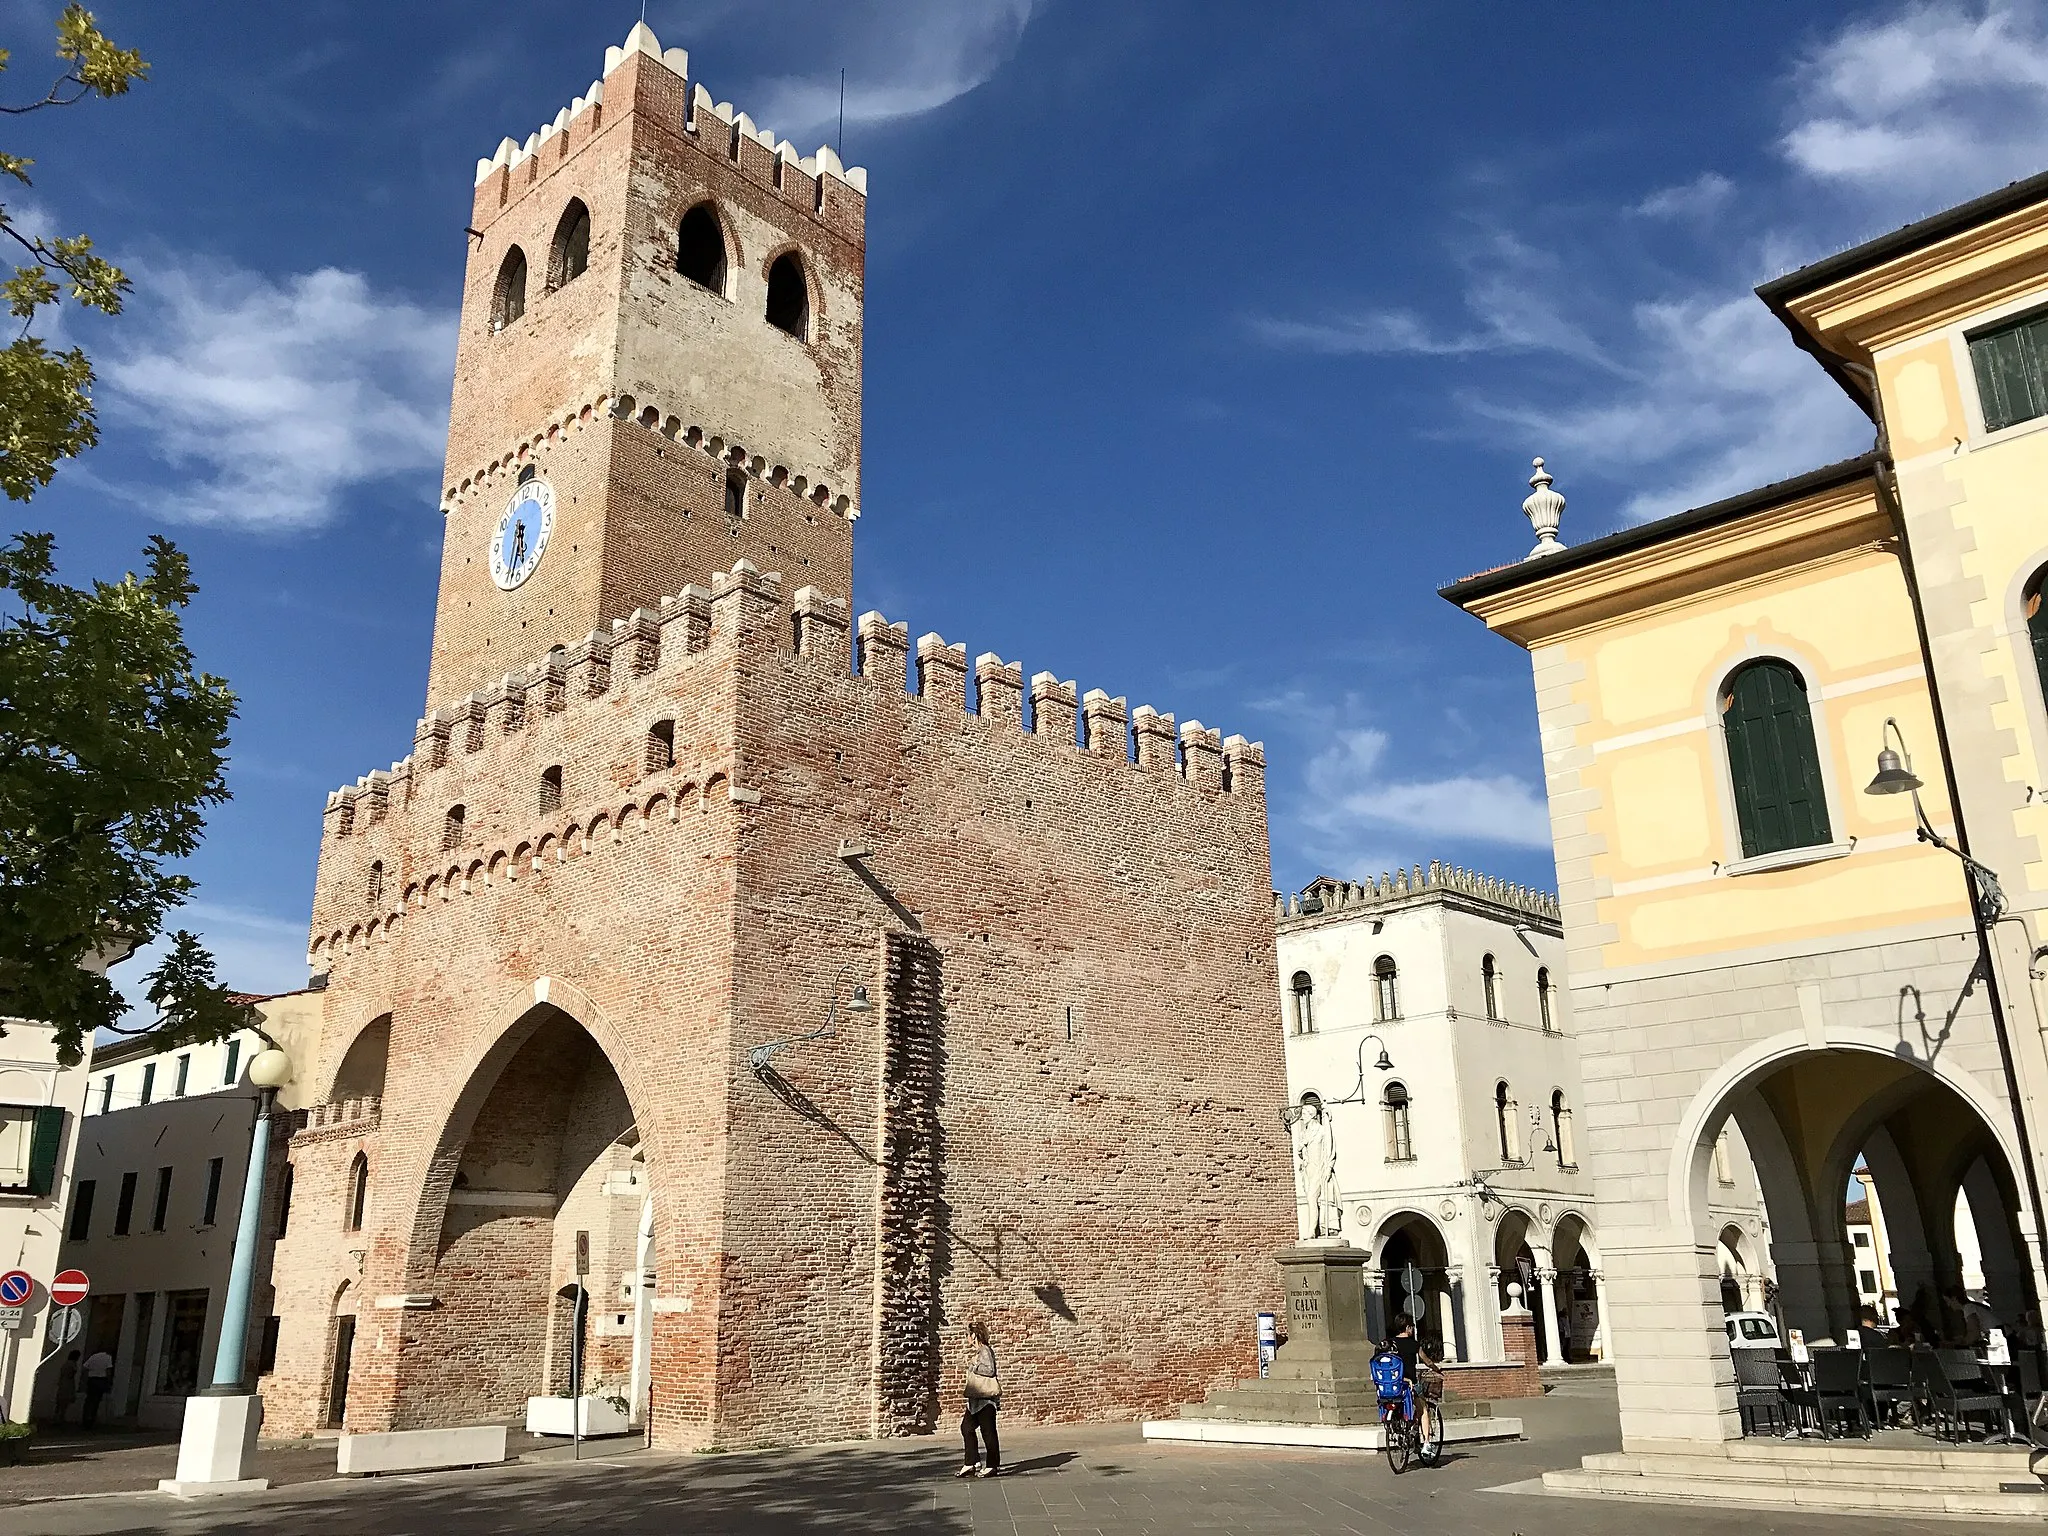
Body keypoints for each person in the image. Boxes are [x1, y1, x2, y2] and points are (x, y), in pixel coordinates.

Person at [958, 1321, 1000, 1479]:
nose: (967, 1338)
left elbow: (990, 1370)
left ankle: (992, 1465)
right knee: (966, 1428)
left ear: (974, 1335)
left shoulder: (985, 1350)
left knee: (988, 1433)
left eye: (968, 1335)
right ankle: (971, 1463)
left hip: (985, 1401)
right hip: (974, 1401)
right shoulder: (978, 1352)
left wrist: (973, 1366)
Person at [79, 1347, 114, 1429]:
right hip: (101, 1379)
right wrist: (109, 1382)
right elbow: (108, 1370)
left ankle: (85, 1419)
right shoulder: (108, 1357)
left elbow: (84, 1368)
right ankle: (91, 1420)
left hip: (91, 1379)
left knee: (89, 1400)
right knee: (96, 1401)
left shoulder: (93, 1356)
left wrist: (84, 1379)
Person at [51, 1348, 80, 1426]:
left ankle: (56, 1417)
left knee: (60, 1402)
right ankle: (60, 1418)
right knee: (64, 1402)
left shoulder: (65, 1363)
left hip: (62, 1383)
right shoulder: (72, 1364)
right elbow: (72, 1373)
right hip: (68, 1384)